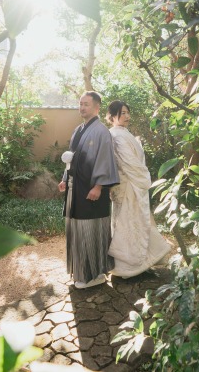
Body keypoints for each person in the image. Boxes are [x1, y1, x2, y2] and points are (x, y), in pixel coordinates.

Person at [58, 91, 119, 288]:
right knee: (76, 230)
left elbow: (105, 161)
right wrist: (65, 178)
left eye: (86, 104)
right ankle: (81, 273)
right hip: (75, 189)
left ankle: (94, 275)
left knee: (91, 230)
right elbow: (72, 157)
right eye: (80, 104)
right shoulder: (79, 130)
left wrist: (99, 186)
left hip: (92, 191)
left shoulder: (102, 132)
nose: (82, 107)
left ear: (97, 107)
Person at [106, 100, 171, 278]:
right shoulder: (116, 135)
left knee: (137, 222)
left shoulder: (122, 133)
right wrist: (145, 177)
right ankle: (129, 267)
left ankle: (141, 262)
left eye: (127, 112)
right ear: (112, 116)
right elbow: (129, 163)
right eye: (122, 113)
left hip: (131, 184)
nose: (127, 116)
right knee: (128, 223)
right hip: (128, 185)